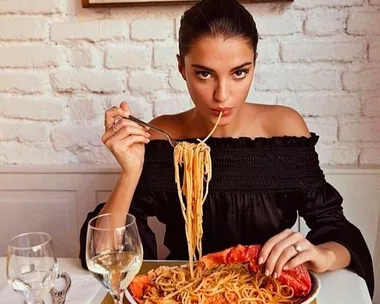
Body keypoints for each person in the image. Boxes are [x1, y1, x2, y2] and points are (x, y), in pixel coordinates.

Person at [79, 0, 374, 297]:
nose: (222, 95)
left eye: (239, 73)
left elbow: (336, 229)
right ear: (182, 68)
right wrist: (130, 172)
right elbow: (108, 255)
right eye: (204, 74)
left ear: (255, 64)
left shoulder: (283, 129)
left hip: (268, 292)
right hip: (182, 293)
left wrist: (321, 255)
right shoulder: (164, 135)